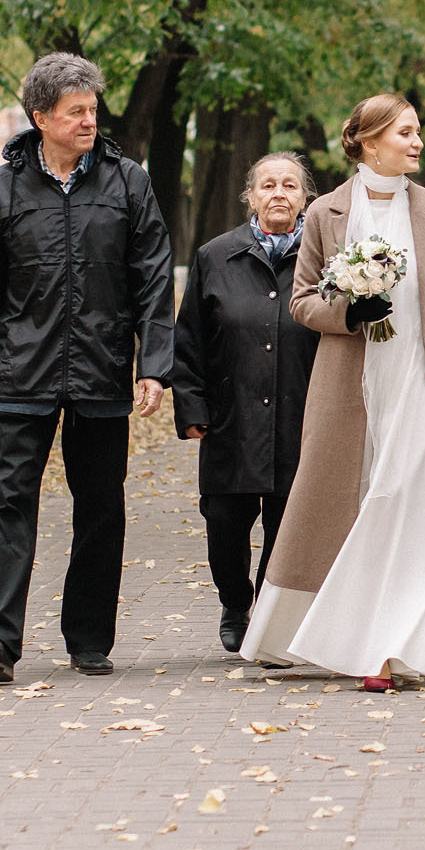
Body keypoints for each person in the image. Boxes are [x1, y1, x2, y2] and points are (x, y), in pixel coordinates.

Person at [241, 95, 425, 688]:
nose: (417, 141)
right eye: (406, 132)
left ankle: (397, 646)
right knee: (358, 503)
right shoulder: (326, 212)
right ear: (370, 141)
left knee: (414, 505)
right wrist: (350, 311)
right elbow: (302, 301)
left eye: (417, 131)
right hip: (354, 384)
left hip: (420, 384)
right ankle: (334, 636)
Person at [0, 52, 174, 684]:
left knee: (102, 505)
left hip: (103, 372)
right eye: (75, 112)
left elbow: (154, 280)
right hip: (21, 373)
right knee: (11, 501)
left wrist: (153, 365)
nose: (89, 121)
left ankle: (88, 638)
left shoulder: (128, 182)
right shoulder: (1, 189)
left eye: (92, 109)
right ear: (40, 117)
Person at [173, 153, 319, 653]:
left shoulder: (326, 258)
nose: (279, 193)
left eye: (290, 186)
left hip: (299, 419)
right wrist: (191, 408)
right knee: (225, 527)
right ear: (251, 196)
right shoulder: (216, 256)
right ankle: (234, 602)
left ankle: (268, 614)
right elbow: (188, 340)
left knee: (286, 527)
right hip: (229, 421)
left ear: (305, 197)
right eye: (268, 185)